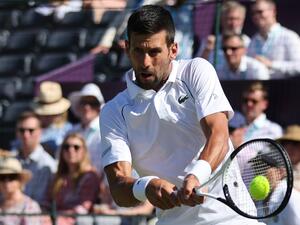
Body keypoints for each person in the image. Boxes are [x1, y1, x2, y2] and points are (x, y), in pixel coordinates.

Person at [100, 5, 264, 225]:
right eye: (138, 50)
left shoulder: (197, 71)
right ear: (127, 48)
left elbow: (218, 134)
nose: (145, 62)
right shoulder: (113, 112)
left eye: (154, 52)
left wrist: (196, 175)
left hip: (233, 219)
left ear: (173, 50)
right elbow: (119, 187)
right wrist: (146, 186)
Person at [45, 133, 100, 225]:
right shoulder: (58, 176)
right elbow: (47, 200)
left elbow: (83, 208)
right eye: (66, 147)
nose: (71, 150)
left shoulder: (89, 176)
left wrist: (57, 219)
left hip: (76, 221)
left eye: (76, 147)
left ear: (84, 151)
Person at [247, 0, 300, 79]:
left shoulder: (289, 37)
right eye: (253, 13)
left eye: (260, 11)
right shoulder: (253, 41)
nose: (256, 16)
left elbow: (298, 66)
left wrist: (271, 65)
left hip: (283, 87)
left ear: (273, 11)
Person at [13, 111, 57, 205]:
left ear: (40, 132)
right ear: (17, 133)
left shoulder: (47, 164)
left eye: (31, 130)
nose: (26, 135)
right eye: (22, 130)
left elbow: (39, 202)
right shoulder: (12, 160)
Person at [248, 152, 300, 225]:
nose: (258, 173)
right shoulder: (259, 202)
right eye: (256, 168)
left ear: (280, 172)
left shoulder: (292, 197)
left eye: (264, 168)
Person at [198, 0, 250, 71]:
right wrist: (207, 50)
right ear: (222, 19)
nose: (233, 23)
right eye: (230, 19)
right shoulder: (209, 42)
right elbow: (198, 67)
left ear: (243, 20)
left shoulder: (247, 41)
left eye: (237, 19)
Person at [68, 83, 105, 172]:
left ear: (99, 107)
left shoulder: (106, 132)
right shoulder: (71, 131)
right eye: (84, 102)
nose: (87, 107)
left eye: (92, 103)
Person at [32, 81, 73, 158]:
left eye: (53, 114)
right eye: (45, 114)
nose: (48, 116)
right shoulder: (29, 129)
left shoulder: (70, 130)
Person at [0, 157, 44, 225]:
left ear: (20, 180)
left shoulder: (29, 206)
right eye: (2, 177)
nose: (7, 182)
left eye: (12, 177)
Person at [277, 125, 300, 192]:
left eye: (295, 143)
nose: (289, 148)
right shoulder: (273, 169)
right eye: (285, 143)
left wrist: (279, 184)